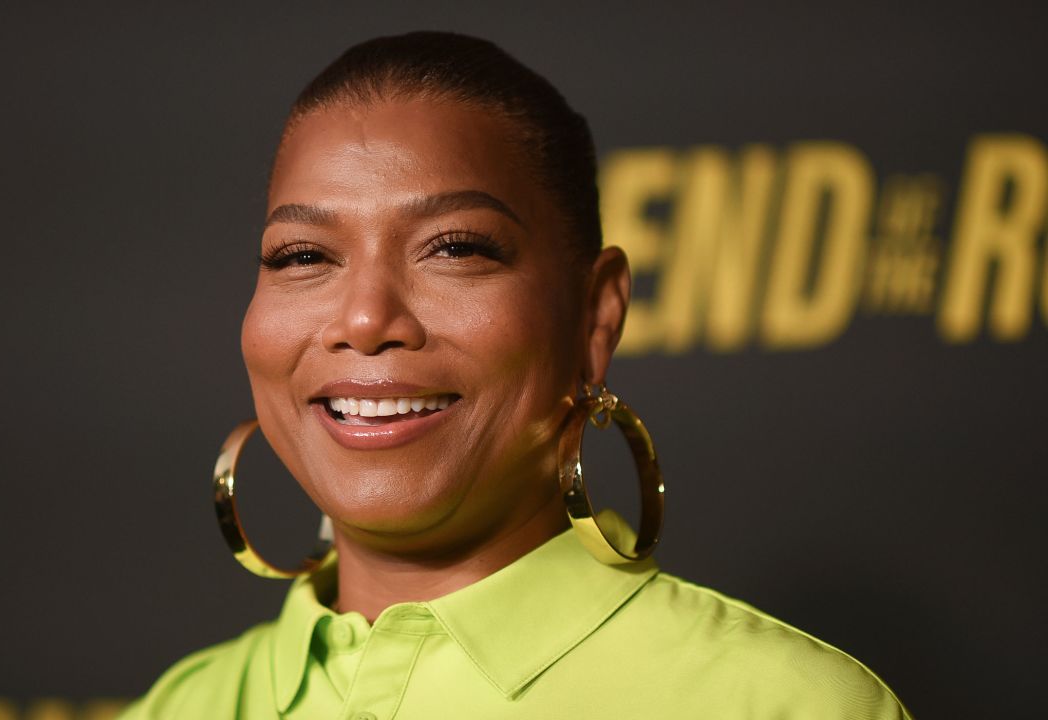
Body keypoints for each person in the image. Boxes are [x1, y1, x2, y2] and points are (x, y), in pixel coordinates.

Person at [121, 31, 912, 719]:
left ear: (595, 316)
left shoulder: (786, 708)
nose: (364, 319)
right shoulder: (177, 708)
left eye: (456, 247)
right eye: (303, 257)